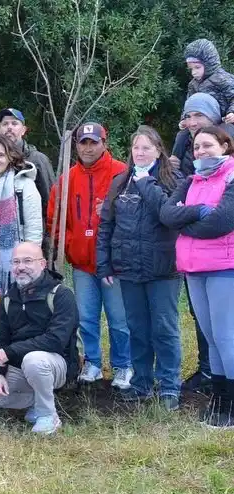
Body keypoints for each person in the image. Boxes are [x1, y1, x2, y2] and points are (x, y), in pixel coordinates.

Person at [97, 126, 182, 410]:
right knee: (137, 329)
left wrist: (146, 182)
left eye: (146, 147)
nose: (140, 153)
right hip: (129, 268)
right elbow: (106, 225)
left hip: (163, 269)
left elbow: (169, 215)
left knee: (164, 329)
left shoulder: (173, 180)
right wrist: (104, 264)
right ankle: (142, 383)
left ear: (158, 150)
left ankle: (169, 386)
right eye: (136, 148)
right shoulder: (120, 182)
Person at [160, 125, 234, 429]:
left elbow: (221, 222)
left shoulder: (231, 176)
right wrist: (200, 211)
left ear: (225, 146)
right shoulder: (191, 180)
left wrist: (186, 220)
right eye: (197, 147)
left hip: (224, 268)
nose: (201, 151)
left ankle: (232, 405)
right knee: (211, 338)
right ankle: (220, 399)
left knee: (226, 338)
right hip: (194, 268)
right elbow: (167, 215)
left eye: (208, 145)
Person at [48, 122, 132, 389]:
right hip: (82, 264)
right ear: (76, 146)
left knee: (119, 318)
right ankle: (93, 362)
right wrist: (70, 243)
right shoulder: (67, 179)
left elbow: (134, 216)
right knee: (86, 317)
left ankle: (123, 365)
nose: (88, 148)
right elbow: (54, 219)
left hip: (114, 264)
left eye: (93, 142)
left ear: (104, 143)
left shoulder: (122, 173)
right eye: (83, 142)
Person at [0, 242, 80, 435]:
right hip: (19, 366)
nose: (21, 267)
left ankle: (48, 415)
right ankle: (39, 400)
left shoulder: (61, 295)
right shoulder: (8, 299)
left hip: (55, 364)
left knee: (34, 360)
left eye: (27, 261)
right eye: (16, 262)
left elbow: (56, 340)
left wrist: (10, 351)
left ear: (42, 264)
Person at [0, 134, 42, 293]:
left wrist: (29, 262)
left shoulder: (24, 185)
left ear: (10, 157)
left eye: (1, 155)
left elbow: (33, 229)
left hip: (18, 261)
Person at [0, 108, 55, 222]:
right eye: (5, 124)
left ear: (23, 130)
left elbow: (50, 201)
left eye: (14, 123)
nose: (9, 127)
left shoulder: (38, 159)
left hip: (32, 227)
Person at [182, 39, 234, 124]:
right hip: (202, 124)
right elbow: (189, 104)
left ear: (208, 64)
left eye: (197, 67)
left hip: (225, 122)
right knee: (184, 133)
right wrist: (184, 119)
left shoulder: (223, 79)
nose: (194, 72)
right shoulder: (193, 84)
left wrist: (232, 113)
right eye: (191, 69)